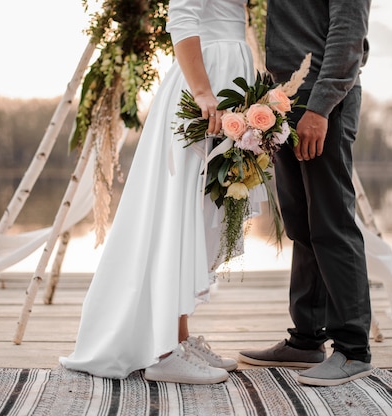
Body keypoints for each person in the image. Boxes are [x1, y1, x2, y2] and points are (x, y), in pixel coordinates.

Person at [60, 0, 259, 384]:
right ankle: (163, 353)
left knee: (202, 212)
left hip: (231, 74)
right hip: (208, 81)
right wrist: (202, 91)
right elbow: (183, 15)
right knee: (178, 212)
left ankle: (178, 338)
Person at [238, 1, 374, 386]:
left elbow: (349, 35)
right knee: (300, 222)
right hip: (285, 99)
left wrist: (320, 108)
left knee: (332, 224)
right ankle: (306, 340)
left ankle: (353, 349)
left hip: (321, 101)